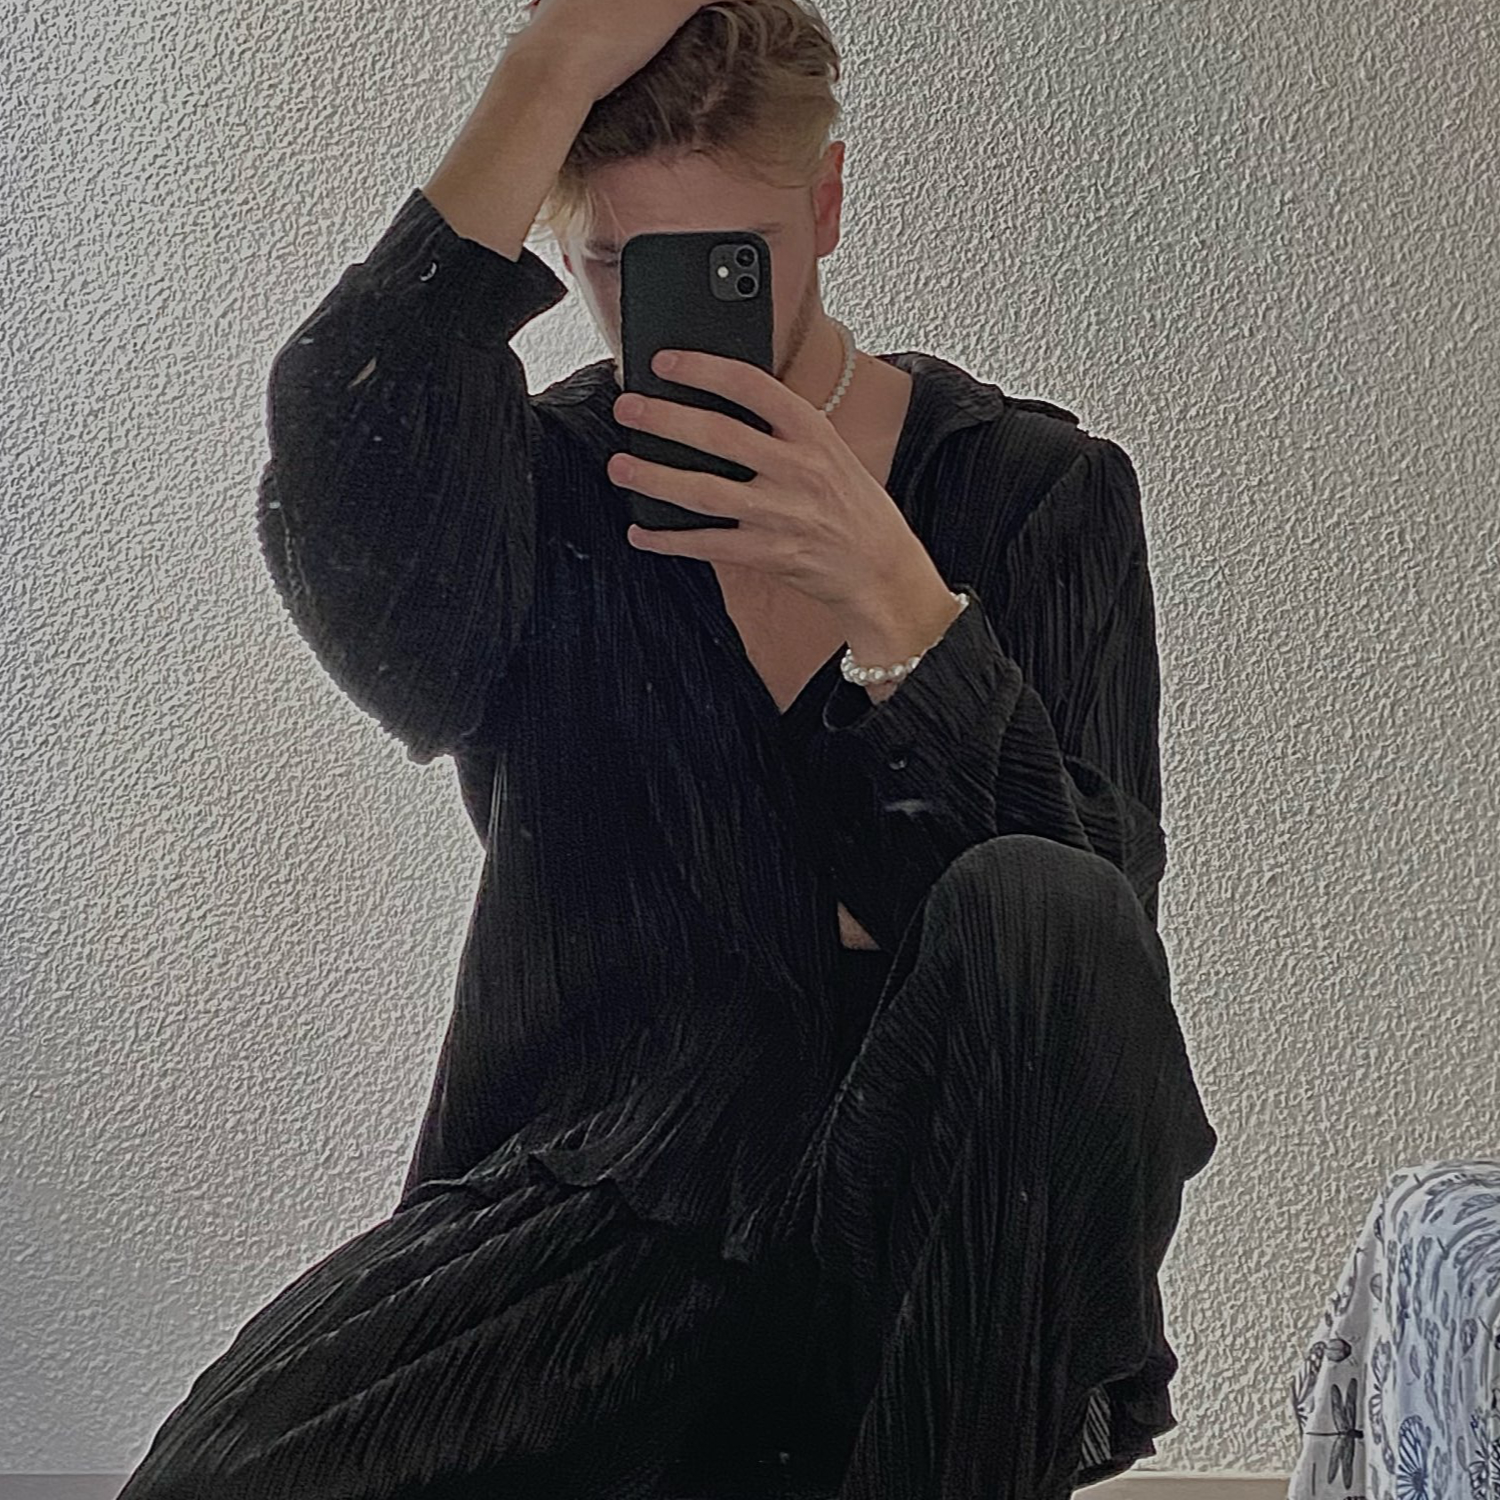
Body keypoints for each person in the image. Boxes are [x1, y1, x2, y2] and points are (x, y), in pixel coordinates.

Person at [116, 1, 1218, 1496]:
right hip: (608, 1208)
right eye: (618, 267)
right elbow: (348, 467)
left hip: (934, 1256)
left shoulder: (1034, 491)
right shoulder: (536, 493)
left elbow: (1090, 968)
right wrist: (546, 67)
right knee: (218, 1475)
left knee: (1044, 902)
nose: (672, 318)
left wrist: (901, 611)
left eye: (726, 263)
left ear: (826, 203)